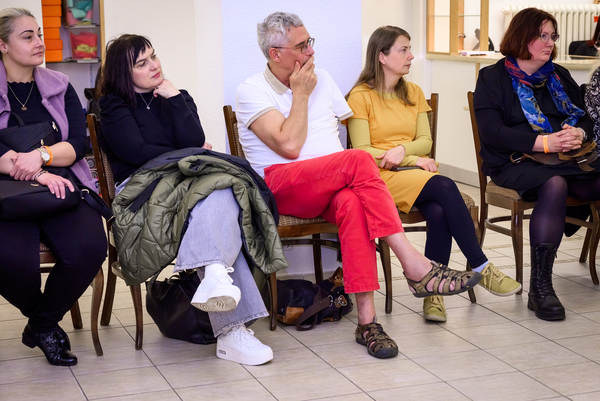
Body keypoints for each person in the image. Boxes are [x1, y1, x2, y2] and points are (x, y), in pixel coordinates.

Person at [236, 11, 482, 359]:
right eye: (302, 46)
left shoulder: (323, 78)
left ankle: (367, 322)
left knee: (353, 204)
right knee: (358, 159)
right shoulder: (251, 90)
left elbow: (344, 132)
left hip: (331, 184)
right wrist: (300, 95)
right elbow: (289, 146)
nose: (311, 51)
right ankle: (414, 264)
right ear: (275, 53)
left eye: (310, 42)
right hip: (281, 186)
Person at [99, 34, 276, 366]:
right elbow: (136, 153)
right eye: (142, 63)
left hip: (188, 182)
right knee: (219, 192)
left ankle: (216, 280)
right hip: (142, 189)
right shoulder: (113, 105)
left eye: (153, 56)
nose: (154, 65)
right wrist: (188, 153)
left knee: (222, 188)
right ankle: (232, 329)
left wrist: (175, 99)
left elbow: (194, 138)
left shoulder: (176, 96)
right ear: (125, 73)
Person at [346, 26, 522, 323]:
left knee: (439, 211)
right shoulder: (359, 96)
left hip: (414, 173)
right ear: (382, 56)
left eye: (409, 49)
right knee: (445, 185)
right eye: (403, 50)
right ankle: (481, 265)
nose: (411, 56)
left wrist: (404, 151)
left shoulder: (413, 92)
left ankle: (433, 294)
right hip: (379, 177)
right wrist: (411, 157)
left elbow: (425, 141)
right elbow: (362, 151)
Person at [473, 7, 600, 321]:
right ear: (522, 36)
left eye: (552, 36)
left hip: (566, 159)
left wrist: (579, 132)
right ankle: (540, 287)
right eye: (542, 35)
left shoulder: (558, 75)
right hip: (515, 161)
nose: (550, 42)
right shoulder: (492, 77)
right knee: (554, 184)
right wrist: (544, 143)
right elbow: (492, 132)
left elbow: (584, 116)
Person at [0, 8, 106, 366]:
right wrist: (36, 171)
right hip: (6, 194)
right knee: (8, 260)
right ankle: (44, 323)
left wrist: (41, 156)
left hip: (61, 186)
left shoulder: (59, 85)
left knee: (90, 248)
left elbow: (78, 143)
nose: (39, 42)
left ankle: (42, 325)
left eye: (40, 34)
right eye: (27, 36)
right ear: (3, 45)